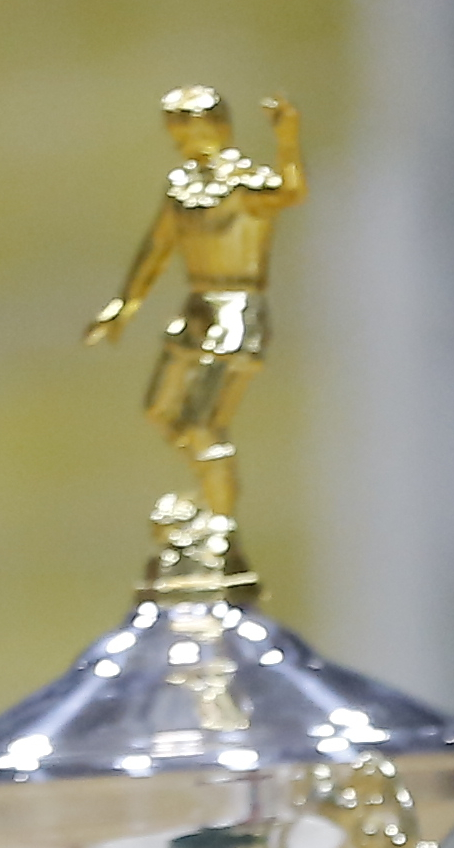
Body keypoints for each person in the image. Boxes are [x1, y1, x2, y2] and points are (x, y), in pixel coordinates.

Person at [83, 88, 305, 525]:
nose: (181, 139)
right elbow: (158, 247)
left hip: (237, 309)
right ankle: (208, 489)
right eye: (177, 131)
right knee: (162, 410)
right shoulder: (182, 187)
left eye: (189, 129)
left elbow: (290, 192)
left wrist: (287, 138)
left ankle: (220, 522)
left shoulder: (243, 184)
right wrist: (125, 305)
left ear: (216, 127)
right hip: (197, 307)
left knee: (202, 421)